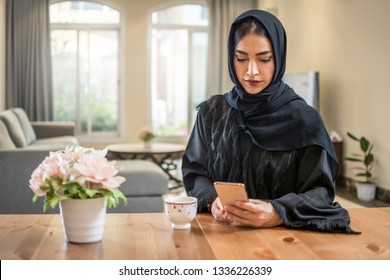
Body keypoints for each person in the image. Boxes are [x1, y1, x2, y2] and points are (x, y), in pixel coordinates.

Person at [182, 9, 357, 233]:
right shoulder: (211, 113)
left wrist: (277, 212)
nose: (251, 71)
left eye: (264, 59)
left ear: (279, 58)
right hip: (222, 236)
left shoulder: (305, 120)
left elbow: (320, 192)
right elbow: (195, 173)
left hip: (287, 242)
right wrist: (212, 200)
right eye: (241, 58)